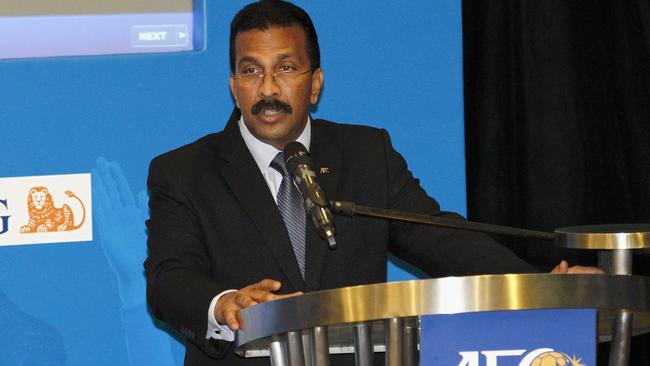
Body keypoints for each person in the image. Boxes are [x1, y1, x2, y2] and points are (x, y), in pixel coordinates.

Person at [144, 1, 601, 365]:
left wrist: (538, 285)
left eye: (285, 68)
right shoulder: (184, 171)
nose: (267, 89)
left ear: (315, 82)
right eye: (251, 71)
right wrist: (224, 303)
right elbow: (169, 279)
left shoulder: (366, 154)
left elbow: (440, 239)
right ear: (234, 84)